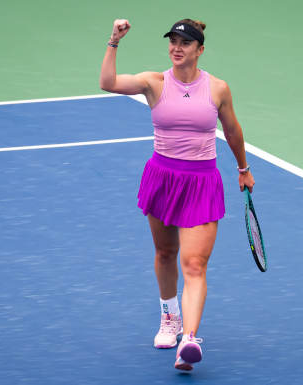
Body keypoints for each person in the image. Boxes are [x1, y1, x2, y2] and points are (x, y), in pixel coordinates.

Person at [99, 18, 255, 371]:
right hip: (163, 178)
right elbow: (107, 82)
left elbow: (232, 130)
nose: (176, 47)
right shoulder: (154, 83)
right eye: (172, 41)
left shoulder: (217, 89)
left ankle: (189, 339)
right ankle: (170, 318)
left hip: (201, 183)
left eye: (185, 43)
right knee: (165, 252)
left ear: (200, 50)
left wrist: (243, 169)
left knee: (195, 264)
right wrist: (114, 41)